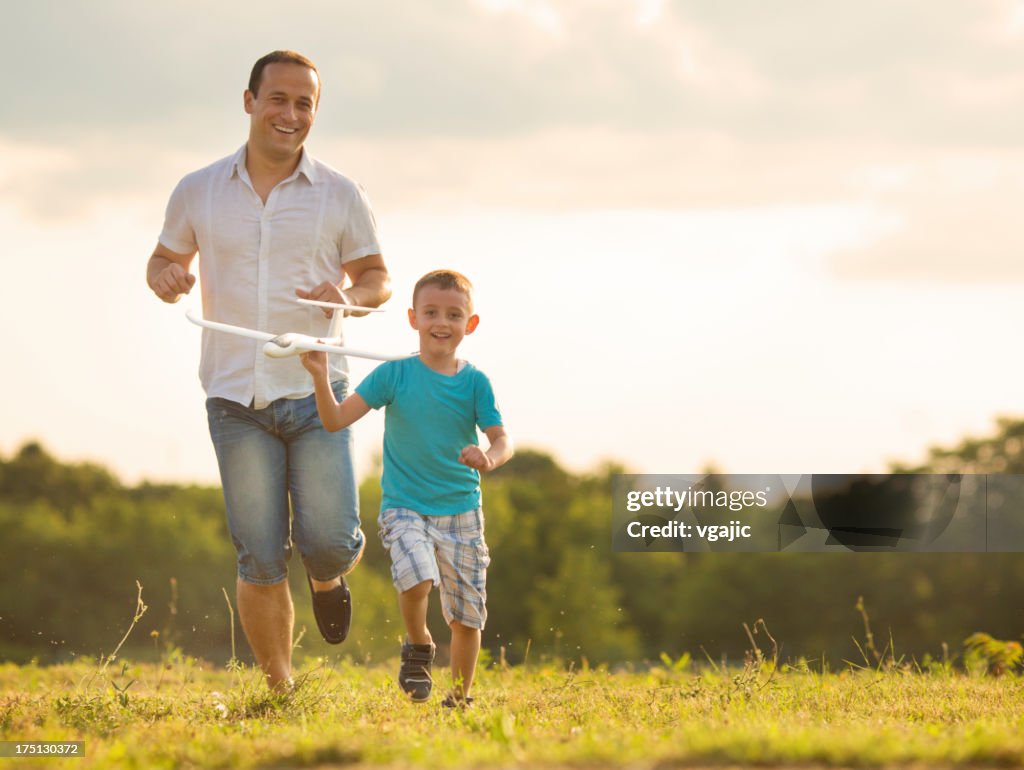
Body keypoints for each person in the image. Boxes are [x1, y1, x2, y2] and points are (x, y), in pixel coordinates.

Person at [145, 50, 391, 691]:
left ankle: (328, 574)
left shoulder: (340, 194)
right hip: (233, 399)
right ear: (250, 101)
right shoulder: (197, 189)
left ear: (315, 113)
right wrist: (168, 279)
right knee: (259, 554)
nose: (290, 114)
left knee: (332, 540)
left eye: (304, 103)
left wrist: (351, 299)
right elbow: (161, 262)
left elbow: (376, 279)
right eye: (278, 99)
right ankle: (280, 688)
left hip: (316, 394)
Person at [300, 270, 512, 706]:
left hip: (461, 511)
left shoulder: (475, 383)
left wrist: (489, 457)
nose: (442, 321)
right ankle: (418, 646)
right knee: (417, 579)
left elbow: (502, 439)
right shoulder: (393, 374)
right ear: (413, 318)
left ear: (470, 324)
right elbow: (335, 420)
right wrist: (320, 375)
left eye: (454, 314)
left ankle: (459, 697)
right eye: (431, 312)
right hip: (405, 507)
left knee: (467, 618)